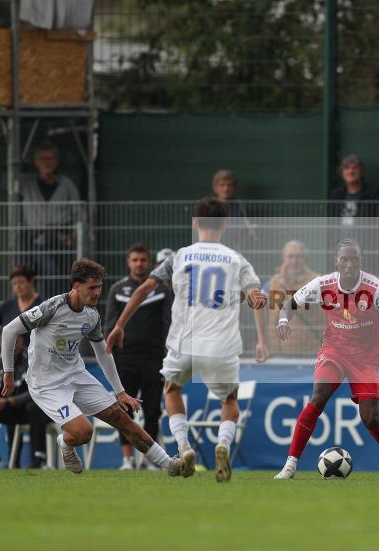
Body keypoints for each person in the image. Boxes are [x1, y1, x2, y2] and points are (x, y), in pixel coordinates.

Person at [107, 198, 269, 483]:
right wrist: (261, 339)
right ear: (224, 225)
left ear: (195, 224)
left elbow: (145, 288)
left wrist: (120, 324)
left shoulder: (180, 256)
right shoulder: (236, 260)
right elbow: (255, 296)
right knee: (229, 399)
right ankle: (223, 445)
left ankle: (183, 447)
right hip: (221, 344)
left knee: (172, 390)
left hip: (184, 341)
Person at [0, 258, 189, 477]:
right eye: (92, 287)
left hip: (76, 375)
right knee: (83, 432)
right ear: (77, 286)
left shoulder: (92, 315)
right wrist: (9, 373)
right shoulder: (51, 308)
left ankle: (170, 465)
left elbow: (102, 353)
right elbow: (9, 331)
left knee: (121, 418)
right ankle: (65, 442)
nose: (97, 292)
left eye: (99, 287)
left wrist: (120, 392)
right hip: (46, 384)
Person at [272, 239, 379, 481]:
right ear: (336, 261)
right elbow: (289, 304)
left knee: (370, 417)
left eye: (354, 260)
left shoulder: (377, 288)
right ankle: (290, 465)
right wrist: (283, 320)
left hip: (366, 357)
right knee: (318, 398)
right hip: (334, 350)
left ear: (361, 262)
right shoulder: (323, 284)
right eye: (344, 260)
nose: (349, 265)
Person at [0, 142, 83, 298]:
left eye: (50, 158)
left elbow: (79, 213)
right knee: (49, 271)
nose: (47, 162)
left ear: (56, 161)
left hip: (61, 242)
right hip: (36, 241)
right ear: (36, 162)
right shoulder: (27, 182)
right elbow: (1, 178)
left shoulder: (66, 184)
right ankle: (48, 309)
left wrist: (73, 237)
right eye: (42, 158)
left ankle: (60, 309)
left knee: (65, 277)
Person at [105, 244, 172, 470]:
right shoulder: (117, 289)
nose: (139, 264)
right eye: (134, 260)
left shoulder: (162, 290)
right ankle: (127, 460)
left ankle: (149, 459)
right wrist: (110, 355)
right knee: (123, 411)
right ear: (128, 262)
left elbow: (168, 324)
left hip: (154, 359)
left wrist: (168, 352)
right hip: (125, 359)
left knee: (153, 410)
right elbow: (110, 324)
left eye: (143, 260)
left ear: (149, 263)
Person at [0, 335, 52, 469]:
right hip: (11, 409)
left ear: (22, 341)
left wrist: (8, 402)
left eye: (15, 341)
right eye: (6, 342)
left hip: (36, 410)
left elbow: (36, 392)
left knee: (34, 407)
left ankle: (39, 459)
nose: (10, 346)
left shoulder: (32, 359)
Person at [328, 154, 379, 273]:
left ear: (362, 171)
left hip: (369, 254)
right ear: (342, 173)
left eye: (354, 168)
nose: (351, 171)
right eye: (346, 168)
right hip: (342, 253)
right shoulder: (336, 196)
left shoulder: (375, 195)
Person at [262, 240, 322, 356]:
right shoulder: (273, 282)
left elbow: (300, 306)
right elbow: (258, 304)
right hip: (277, 351)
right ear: (284, 259)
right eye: (290, 257)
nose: (294, 261)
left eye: (298, 257)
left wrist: (286, 283)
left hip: (308, 352)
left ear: (305, 258)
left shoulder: (316, 281)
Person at [211, 169, 256, 252]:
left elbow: (248, 232)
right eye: (222, 185)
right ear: (215, 188)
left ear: (234, 187)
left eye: (229, 185)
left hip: (237, 251)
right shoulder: (209, 208)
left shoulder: (242, 208)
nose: (226, 189)